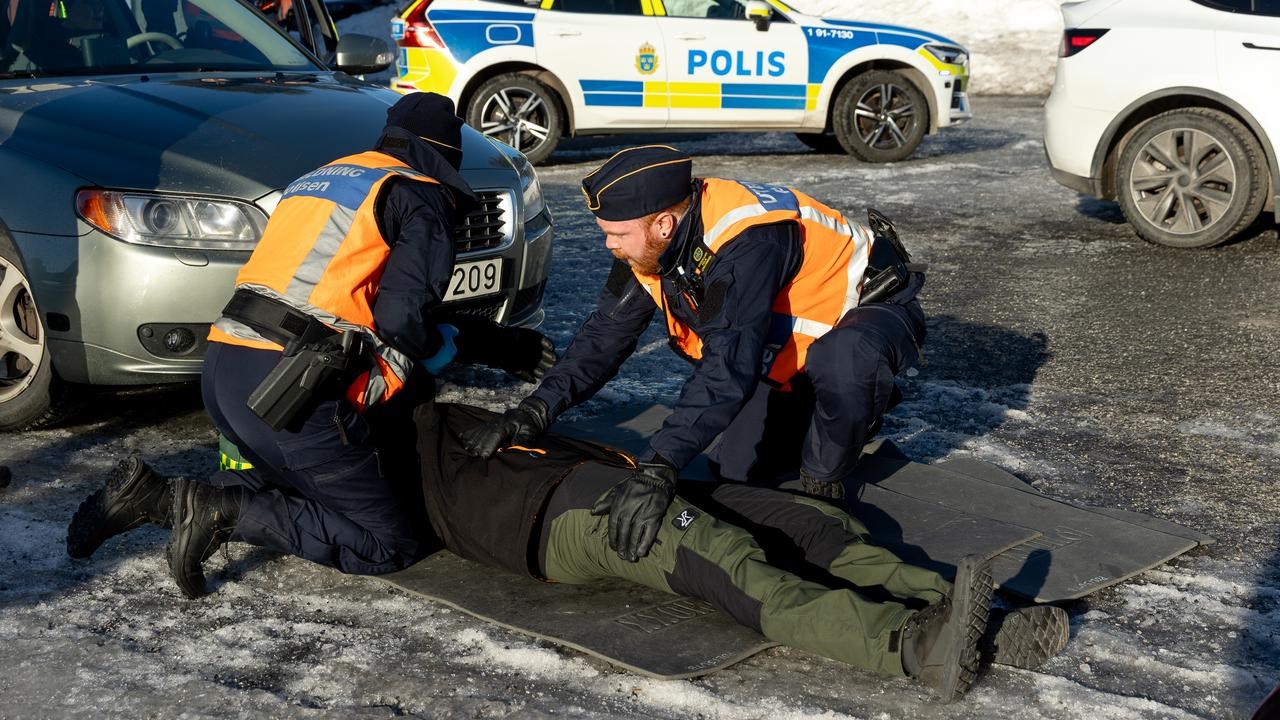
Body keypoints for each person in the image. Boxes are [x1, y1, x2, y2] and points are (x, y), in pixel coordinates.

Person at [65, 92, 556, 598]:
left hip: (227, 373)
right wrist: (441, 353)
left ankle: (195, 504)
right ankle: (178, 503)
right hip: (294, 392)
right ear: (444, 156)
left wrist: (496, 345)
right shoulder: (419, 194)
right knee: (389, 540)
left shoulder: (324, 180)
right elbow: (403, 321)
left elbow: (341, 295)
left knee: (287, 491)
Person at [417, 401, 1069, 703]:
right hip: (554, 515)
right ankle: (916, 646)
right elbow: (355, 525)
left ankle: (976, 616)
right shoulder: (373, 450)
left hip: (613, 476)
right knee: (725, 556)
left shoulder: (421, 399)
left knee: (807, 522)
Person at [464, 144, 926, 564]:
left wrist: (658, 466)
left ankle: (838, 447)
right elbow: (603, 337)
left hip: (869, 313)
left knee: (844, 366)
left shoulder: (746, 241)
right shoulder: (652, 245)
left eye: (617, 234)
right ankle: (823, 406)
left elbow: (729, 365)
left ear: (663, 224)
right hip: (788, 347)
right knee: (736, 470)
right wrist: (534, 411)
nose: (609, 245)